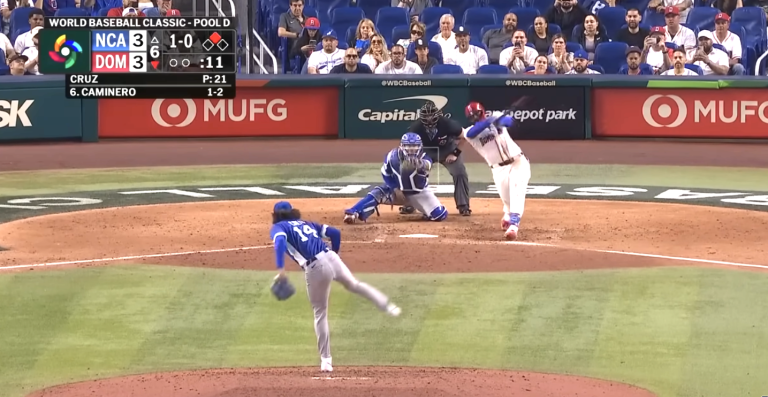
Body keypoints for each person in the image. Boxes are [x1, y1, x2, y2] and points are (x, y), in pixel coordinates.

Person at [270, 201, 401, 372]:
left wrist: (281, 270)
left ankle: (326, 361)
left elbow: (279, 243)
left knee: (320, 313)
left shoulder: (279, 227)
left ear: (275, 214)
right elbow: (334, 233)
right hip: (331, 257)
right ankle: (388, 306)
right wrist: (334, 256)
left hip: (315, 267)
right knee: (355, 284)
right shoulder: (306, 223)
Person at [462, 102, 531, 241]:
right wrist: (489, 121)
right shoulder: (469, 133)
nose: (475, 117)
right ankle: (507, 214)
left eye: (476, 114)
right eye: (472, 116)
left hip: (518, 161)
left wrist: (498, 119)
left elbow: (509, 122)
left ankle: (514, 226)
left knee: (516, 190)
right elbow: (474, 131)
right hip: (498, 169)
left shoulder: (496, 118)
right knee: (507, 199)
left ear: (482, 111)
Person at [343, 133, 449, 222]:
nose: (411, 149)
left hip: (419, 193)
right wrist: (394, 187)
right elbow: (385, 173)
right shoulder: (392, 156)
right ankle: (354, 212)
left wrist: (419, 164)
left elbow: (427, 165)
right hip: (399, 192)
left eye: (414, 146)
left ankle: (418, 209)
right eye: (408, 146)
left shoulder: (425, 157)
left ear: (420, 146)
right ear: (402, 146)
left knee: (440, 215)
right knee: (378, 192)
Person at [404, 101, 472, 216]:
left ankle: (463, 205)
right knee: (413, 172)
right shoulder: (416, 127)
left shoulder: (448, 124)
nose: (429, 119)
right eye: (426, 116)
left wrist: (455, 153)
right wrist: (415, 160)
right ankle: (410, 204)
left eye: (432, 115)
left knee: (459, 172)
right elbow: (410, 144)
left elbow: (463, 136)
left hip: (447, 149)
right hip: (427, 150)